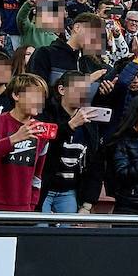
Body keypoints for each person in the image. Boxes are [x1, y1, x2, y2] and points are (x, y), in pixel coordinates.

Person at [0, 73, 52, 212]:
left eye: (42, 97)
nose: (39, 101)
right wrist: (13, 139)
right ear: (16, 95)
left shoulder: (41, 131)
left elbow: (37, 176)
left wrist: (30, 205)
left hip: (22, 211)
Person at [38, 71, 106, 215]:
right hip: (43, 188)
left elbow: (96, 163)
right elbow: (43, 147)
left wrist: (87, 204)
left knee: (69, 234)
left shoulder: (89, 124)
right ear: (62, 89)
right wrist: (70, 126)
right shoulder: (45, 114)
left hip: (69, 192)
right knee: (40, 232)